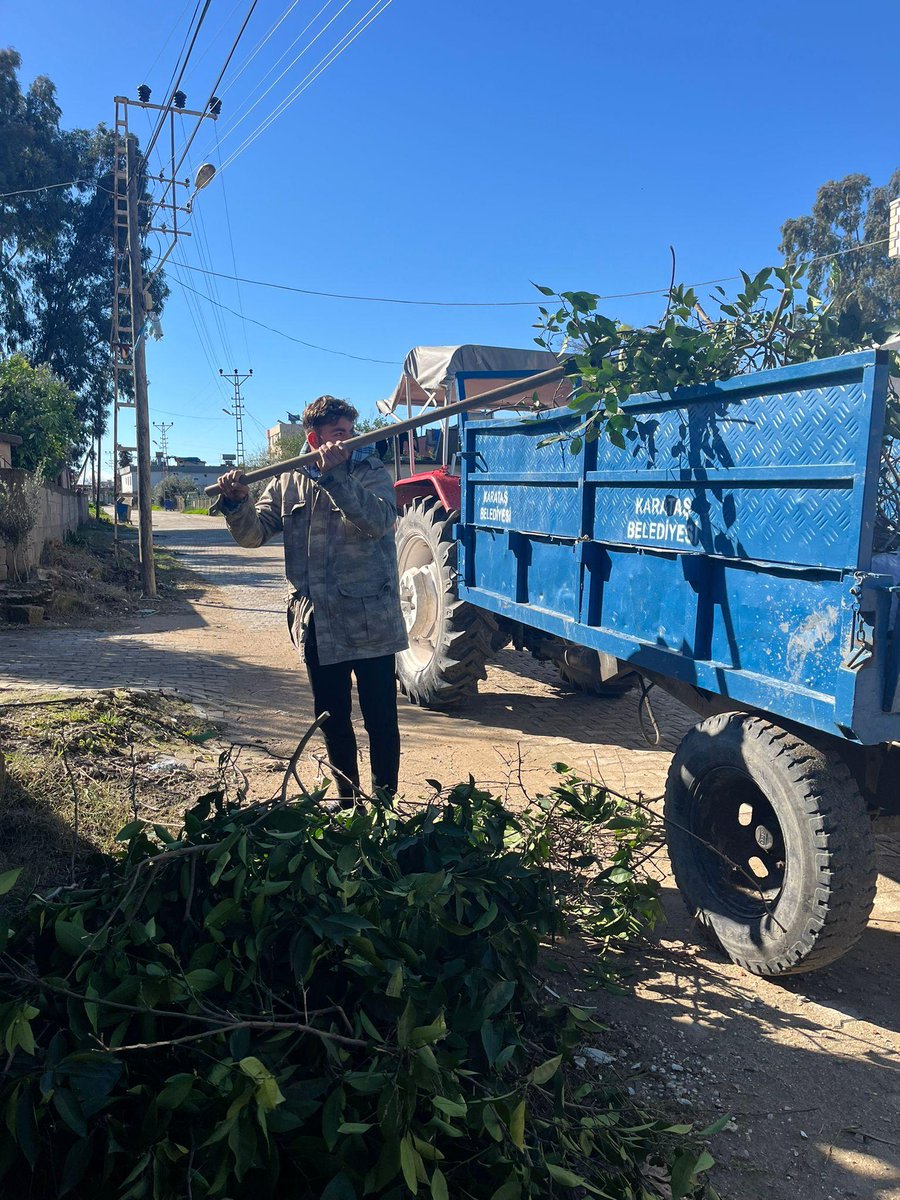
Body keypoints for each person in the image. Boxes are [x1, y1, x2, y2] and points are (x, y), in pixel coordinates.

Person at [214, 396, 407, 803]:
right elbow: (252, 536)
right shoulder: (287, 479)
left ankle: (384, 808)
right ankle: (349, 804)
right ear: (313, 436)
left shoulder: (368, 470)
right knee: (333, 721)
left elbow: (378, 521)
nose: (348, 442)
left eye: (351, 433)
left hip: (371, 621)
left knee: (381, 721)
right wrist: (236, 501)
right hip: (318, 624)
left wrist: (336, 476)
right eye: (339, 434)